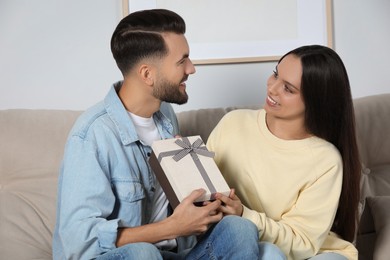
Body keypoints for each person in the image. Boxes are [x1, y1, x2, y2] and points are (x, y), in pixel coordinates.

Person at [52, 9, 263, 260]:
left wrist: (210, 200)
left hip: (170, 255)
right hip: (129, 257)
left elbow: (174, 204)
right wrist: (172, 228)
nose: (192, 69)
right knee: (143, 253)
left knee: (240, 229)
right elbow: (79, 241)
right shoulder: (92, 136)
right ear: (147, 74)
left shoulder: (165, 116)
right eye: (182, 61)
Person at [207, 45, 361, 260]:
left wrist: (244, 215)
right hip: (248, 246)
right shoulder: (233, 123)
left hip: (310, 251)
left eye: (288, 89)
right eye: (275, 74)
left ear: (316, 100)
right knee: (269, 253)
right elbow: (202, 190)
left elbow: (304, 242)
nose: (272, 88)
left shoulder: (326, 160)